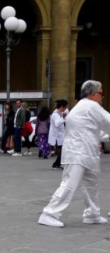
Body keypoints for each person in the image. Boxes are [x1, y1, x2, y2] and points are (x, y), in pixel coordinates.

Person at [38, 80, 110, 228]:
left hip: (84, 151)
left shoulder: (83, 106)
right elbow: (107, 122)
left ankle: (92, 214)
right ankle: (49, 213)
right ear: (93, 94)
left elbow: (95, 130)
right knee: (70, 184)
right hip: (79, 152)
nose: (102, 96)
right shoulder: (91, 105)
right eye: (101, 93)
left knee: (91, 184)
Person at [49, 100, 69, 169]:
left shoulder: (59, 113)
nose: (65, 109)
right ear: (61, 107)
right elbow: (57, 123)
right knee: (62, 151)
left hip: (61, 136)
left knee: (62, 151)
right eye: (65, 107)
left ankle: (57, 164)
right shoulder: (55, 114)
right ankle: (56, 164)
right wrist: (63, 118)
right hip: (57, 136)